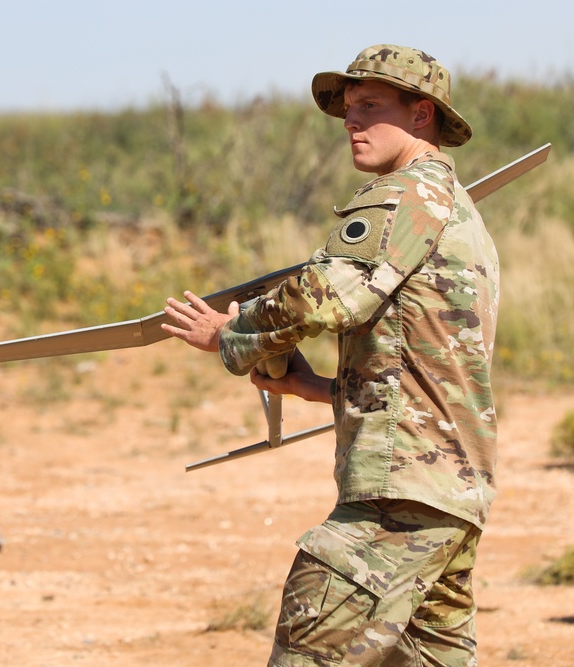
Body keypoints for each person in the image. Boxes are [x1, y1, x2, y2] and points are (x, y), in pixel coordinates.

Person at [161, 44, 497, 666]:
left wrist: (232, 336)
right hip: (447, 501)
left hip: (394, 502)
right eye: (348, 110)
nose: (352, 121)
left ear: (421, 113)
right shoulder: (459, 212)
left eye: (370, 106)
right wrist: (311, 387)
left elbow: (323, 299)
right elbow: (429, 371)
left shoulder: (402, 197)